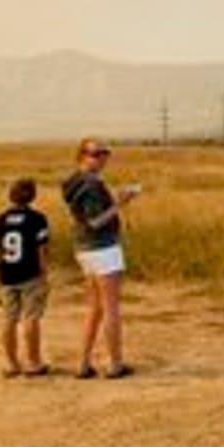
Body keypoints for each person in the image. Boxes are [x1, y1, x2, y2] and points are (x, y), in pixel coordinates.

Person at [61, 138, 139, 379]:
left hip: (83, 248)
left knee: (94, 308)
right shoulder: (92, 184)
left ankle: (83, 363)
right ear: (82, 155)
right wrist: (120, 203)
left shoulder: (72, 181)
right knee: (111, 308)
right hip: (103, 247)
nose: (102, 158)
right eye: (96, 153)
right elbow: (95, 221)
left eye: (105, 153)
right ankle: (115, 364)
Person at [0, 177, 51, 377]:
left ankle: (11, 364)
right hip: (30, 275)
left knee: (9, 319)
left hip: (7, 274)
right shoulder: (37, 219)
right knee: (31, 318)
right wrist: (44, 276)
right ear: (32, 196)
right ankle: (34, 362)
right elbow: (41, 250)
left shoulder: (0, 219)